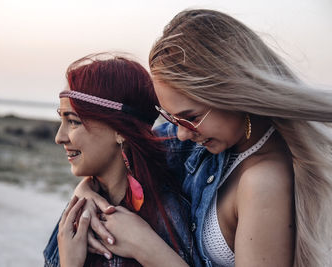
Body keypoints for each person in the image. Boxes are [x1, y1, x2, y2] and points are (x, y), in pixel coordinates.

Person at [73, 9, 332, 267]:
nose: (182, 133)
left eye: (191, 117)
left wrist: (146, 247)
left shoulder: (263, 180)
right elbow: (126, 154)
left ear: (232, 91)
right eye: (172, 119)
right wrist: (88, 188)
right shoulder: (213, 144)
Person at [43, 54, 194, 267]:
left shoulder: (166, 215)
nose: (59, 137)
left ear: (120, 130)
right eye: (62, 120)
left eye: (74, 122)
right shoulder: (76, 215)